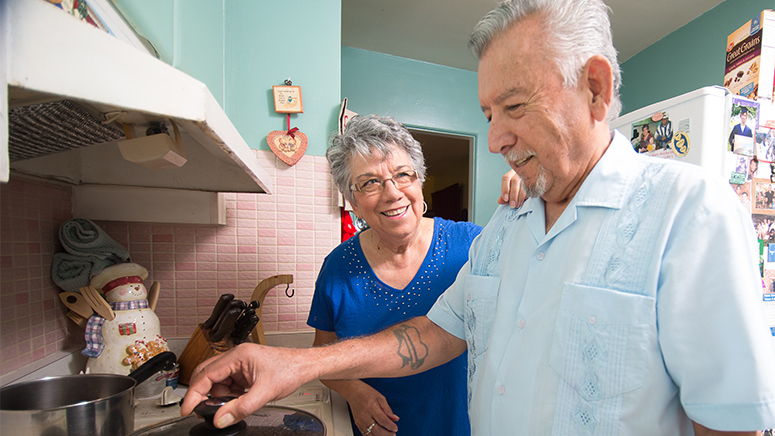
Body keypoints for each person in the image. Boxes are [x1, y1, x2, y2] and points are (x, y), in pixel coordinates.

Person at [182, 1, 775, 434]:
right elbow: (434, 334)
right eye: (488, 113)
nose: (493, 140)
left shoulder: (688, 214)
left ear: (595, 88)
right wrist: (292, 365)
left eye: (513, 107)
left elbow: (726, 424)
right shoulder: (506, 232)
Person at [308, 114, 516, 436]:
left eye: (403, 175)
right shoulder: (338, 268)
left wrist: (534, 197)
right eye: (370, 183)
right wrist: (353, 391)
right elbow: (322, 355)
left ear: (419, 181)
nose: (392, 193)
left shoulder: (471, 245)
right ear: (353, 203)